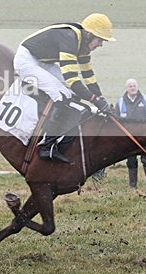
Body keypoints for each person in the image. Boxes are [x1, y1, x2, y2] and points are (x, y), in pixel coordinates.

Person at [14, 13, 116, 162]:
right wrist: (95, 101)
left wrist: (101, 99)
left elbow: (88, 76)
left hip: (43, 62)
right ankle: (46, 147)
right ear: (89, 34)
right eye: (100, 39)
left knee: (71, 93)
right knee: (61, 95)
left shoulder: (83, 45)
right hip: (27, 60)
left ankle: (62, 137)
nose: (100, 44)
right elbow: (73, 80)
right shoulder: (69, 39)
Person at [115, 78, 146, 189]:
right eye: (130, 86)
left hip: (145, 137)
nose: (133, 88)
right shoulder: (120, 102)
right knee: (131, 161)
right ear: (126, 89)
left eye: (134, 85)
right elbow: (116, 119)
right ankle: (132, 186)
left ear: (137, 87)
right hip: (129, 137)